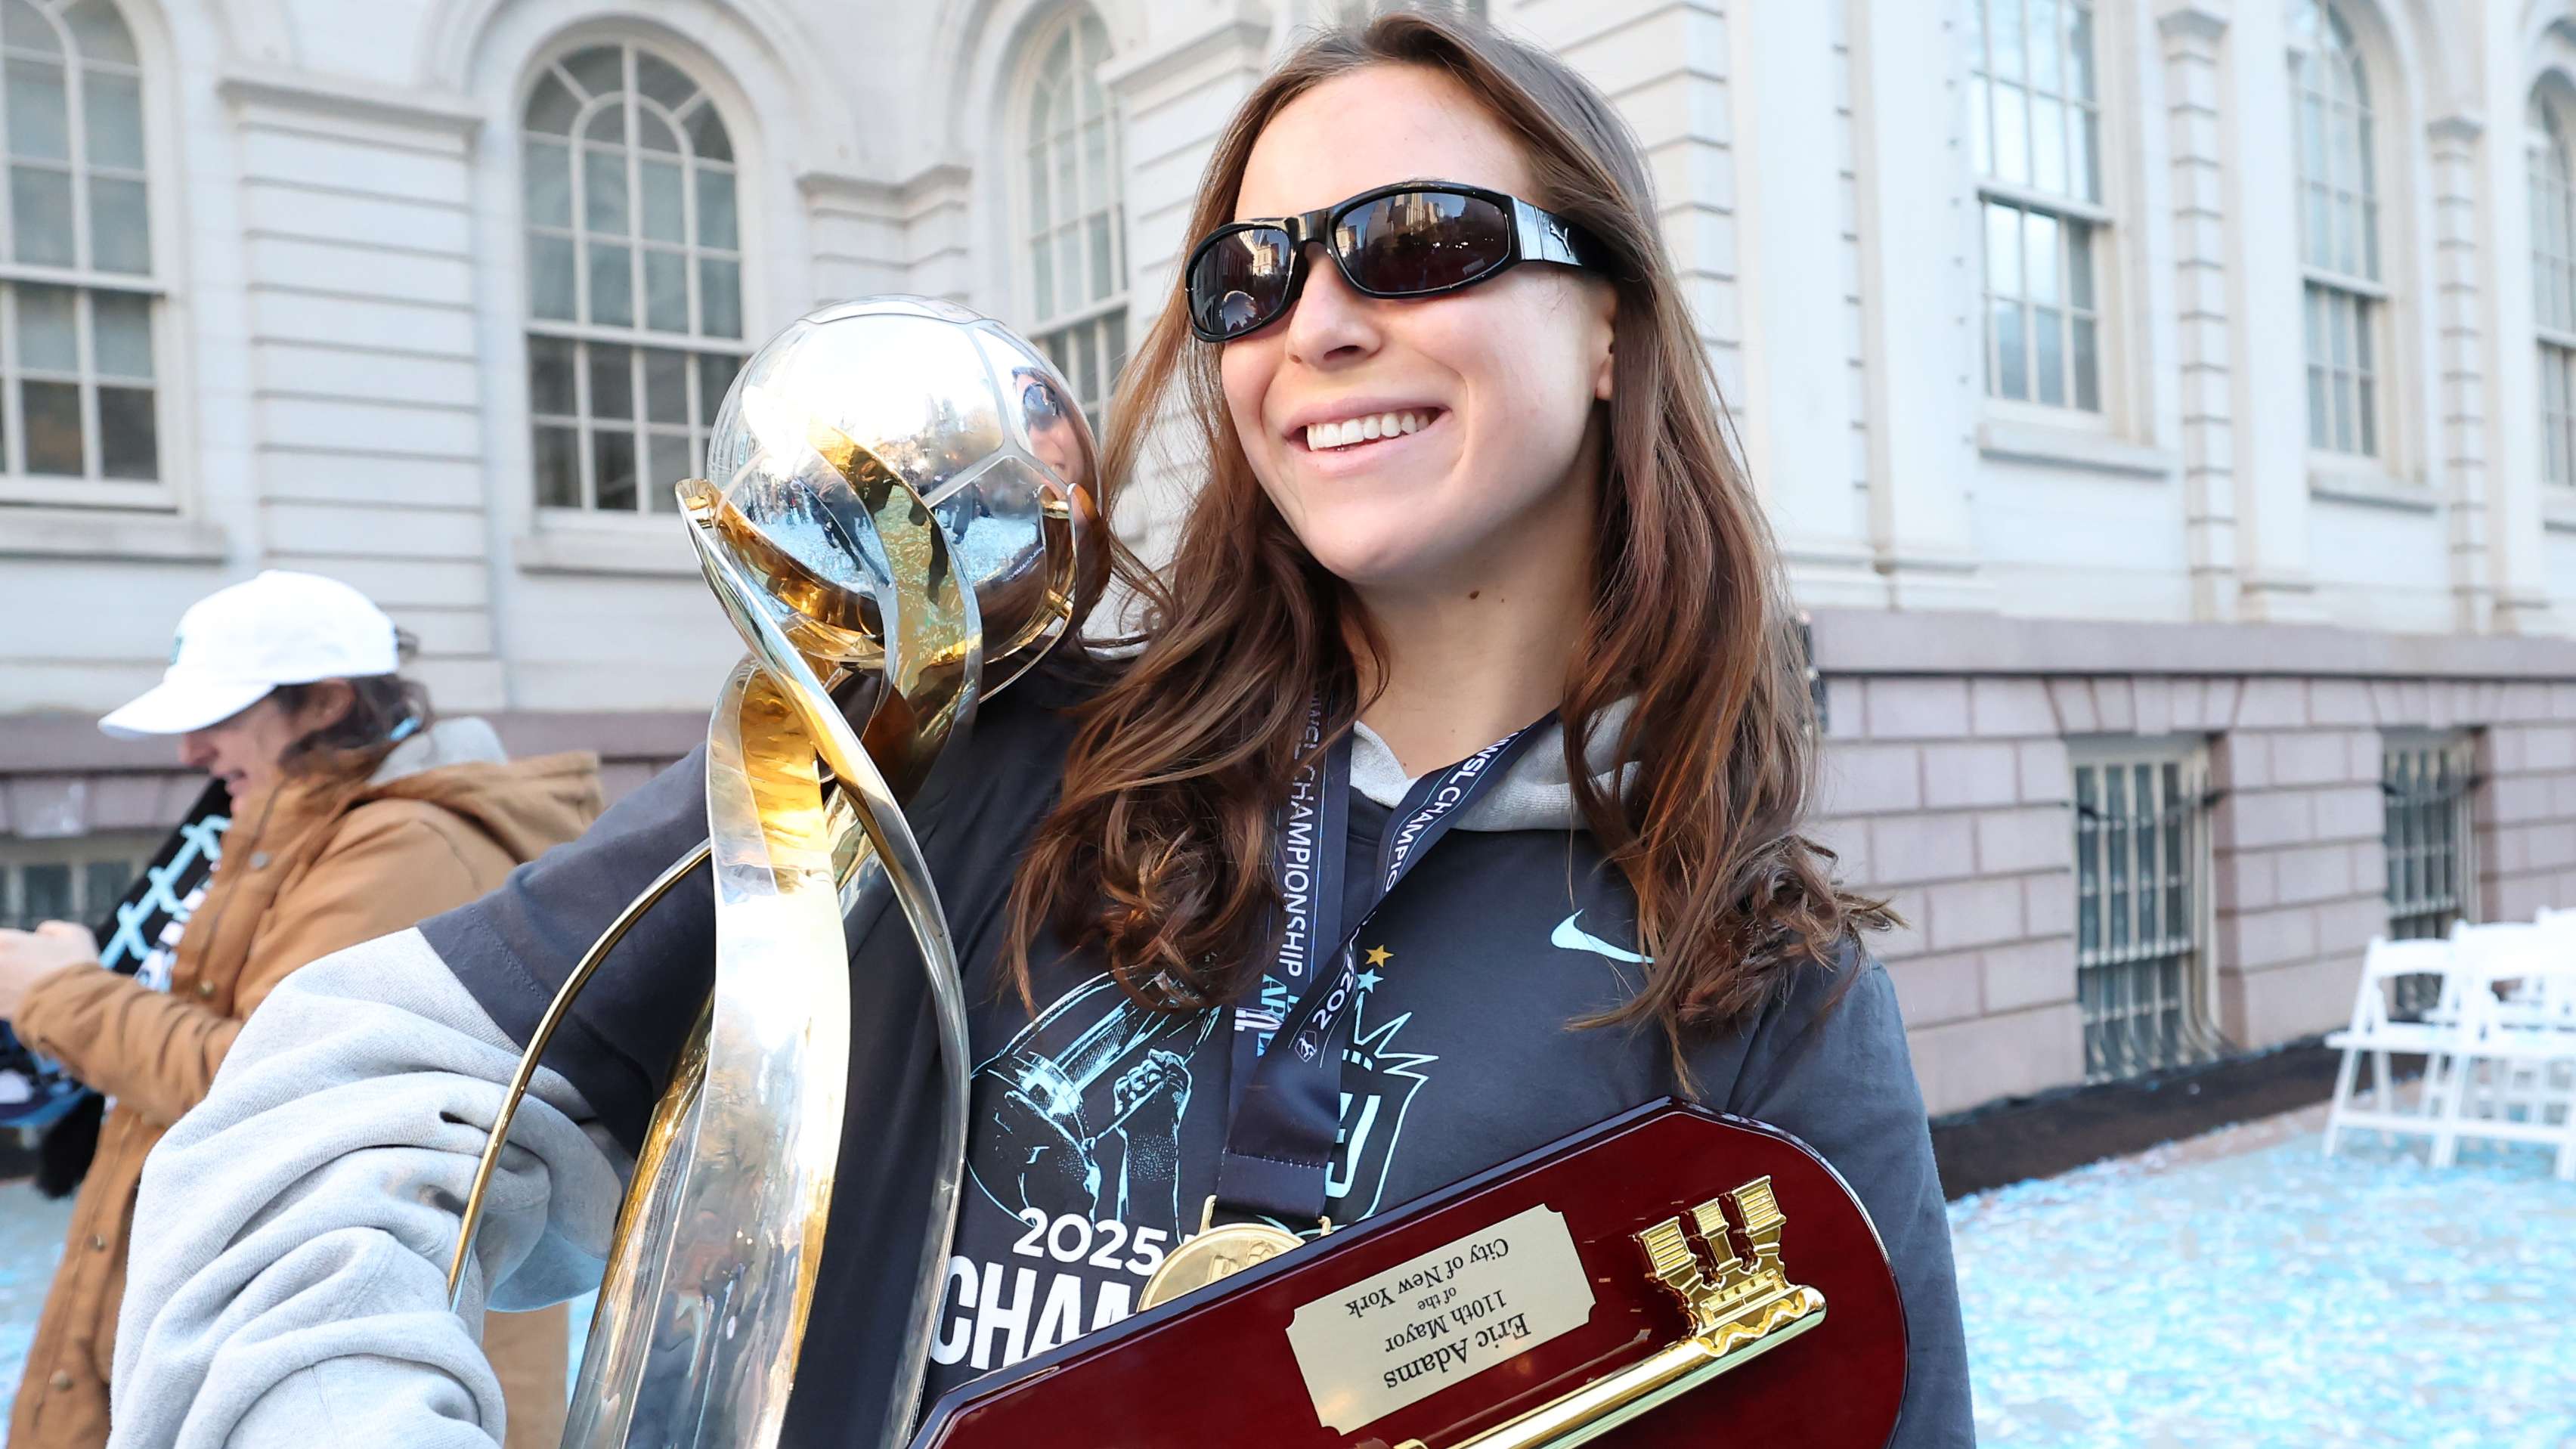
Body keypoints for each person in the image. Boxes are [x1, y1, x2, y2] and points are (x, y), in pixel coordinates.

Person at [106, 14, 1973, 1449]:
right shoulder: (981, 757)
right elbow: (336, 1108)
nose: (1313, 319)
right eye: (1248, 278)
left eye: (1413, 243)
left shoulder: (1763, 987)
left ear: (1608, 329)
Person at [0, 570, 602, 1449]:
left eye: (216, 719)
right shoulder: (291, 829)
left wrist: (60, 996)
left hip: (330, 1370)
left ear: (323, 704)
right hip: (266, 1330)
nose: (190, 753)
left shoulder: (407, 844)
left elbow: (275, 1087)